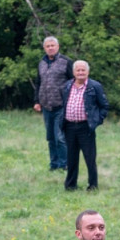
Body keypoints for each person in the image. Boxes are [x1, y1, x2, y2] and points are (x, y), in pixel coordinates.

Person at [61, 60, 110, 192]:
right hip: (69, 127)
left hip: (86, 128)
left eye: (83, 70)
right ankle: (70, 185)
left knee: (90, 158)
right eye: (78, 70)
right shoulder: (67, 85)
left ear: (88, 72)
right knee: (71, 158)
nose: (80, 73)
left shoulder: (94, 86)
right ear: (74, 72)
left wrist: (96, 121)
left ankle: (92, 186)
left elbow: (104, 106)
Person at [33, 36, 73, 172]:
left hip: (62, 105)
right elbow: (39, 83)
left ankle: (64, 165)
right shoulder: (41, 63)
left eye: (52, 45)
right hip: (46, 106)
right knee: (50, 137)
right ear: (44, 48)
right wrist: (37, 101)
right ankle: (54, 164)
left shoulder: (66, 62)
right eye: (47, 46)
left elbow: (74, 82)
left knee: (60, 137)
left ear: (58, 46)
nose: (50, 48)